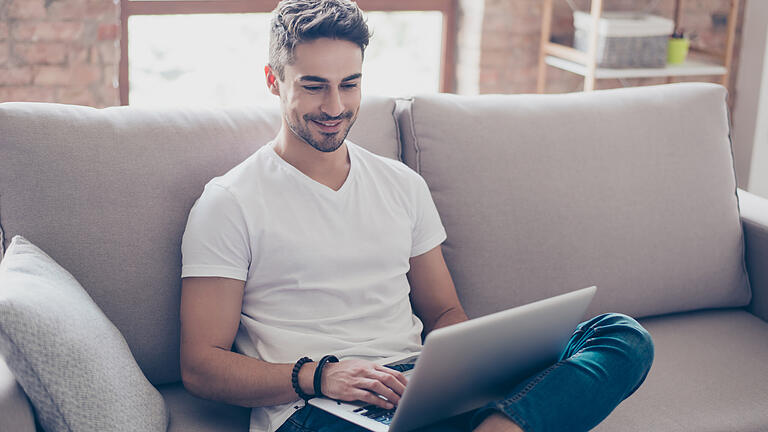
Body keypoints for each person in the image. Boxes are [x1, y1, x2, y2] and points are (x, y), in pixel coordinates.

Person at [179, 1, 655, 431]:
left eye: (350, 84)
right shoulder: (230, 202)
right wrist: (320, 375)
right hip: (314, 407)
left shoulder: (400, 184)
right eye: (314, 87)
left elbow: (444, 311)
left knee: (622, 337)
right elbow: (201, 365)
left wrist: (461, 371)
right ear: (273, 80)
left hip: (417, 384)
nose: (336, 106)